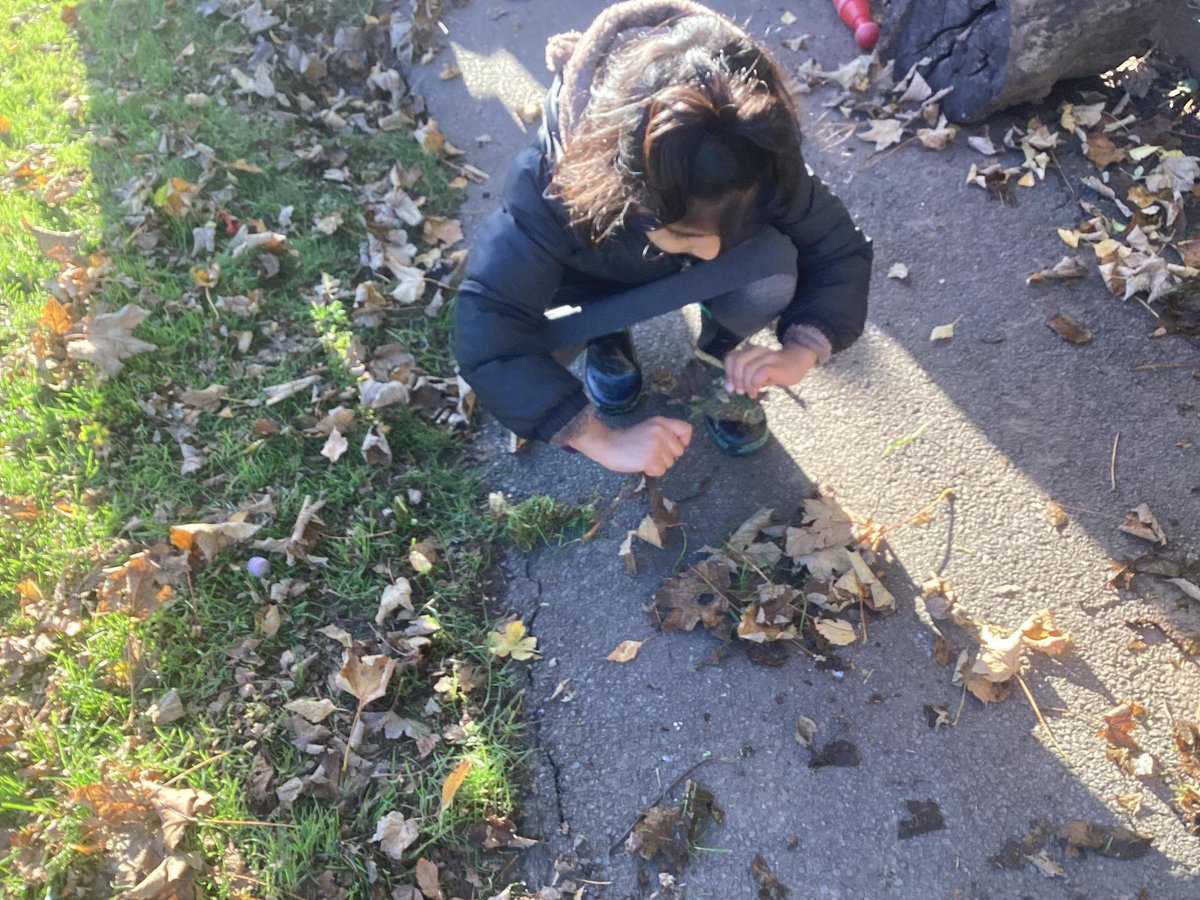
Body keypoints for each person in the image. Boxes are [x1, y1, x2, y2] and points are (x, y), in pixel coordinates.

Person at [453, 0, 872, 477]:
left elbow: (839, 250)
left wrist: (804, 349)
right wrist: (597, 438)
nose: (714, 252)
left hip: (670, 270)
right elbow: (485, 328)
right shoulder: (551, 186)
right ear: (620, 186)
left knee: (779, 258)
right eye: (687, 233)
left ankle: (716, 356)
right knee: (530, 334)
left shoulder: (760, 162)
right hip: (591, 285)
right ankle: (605, 336)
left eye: (732, 229)